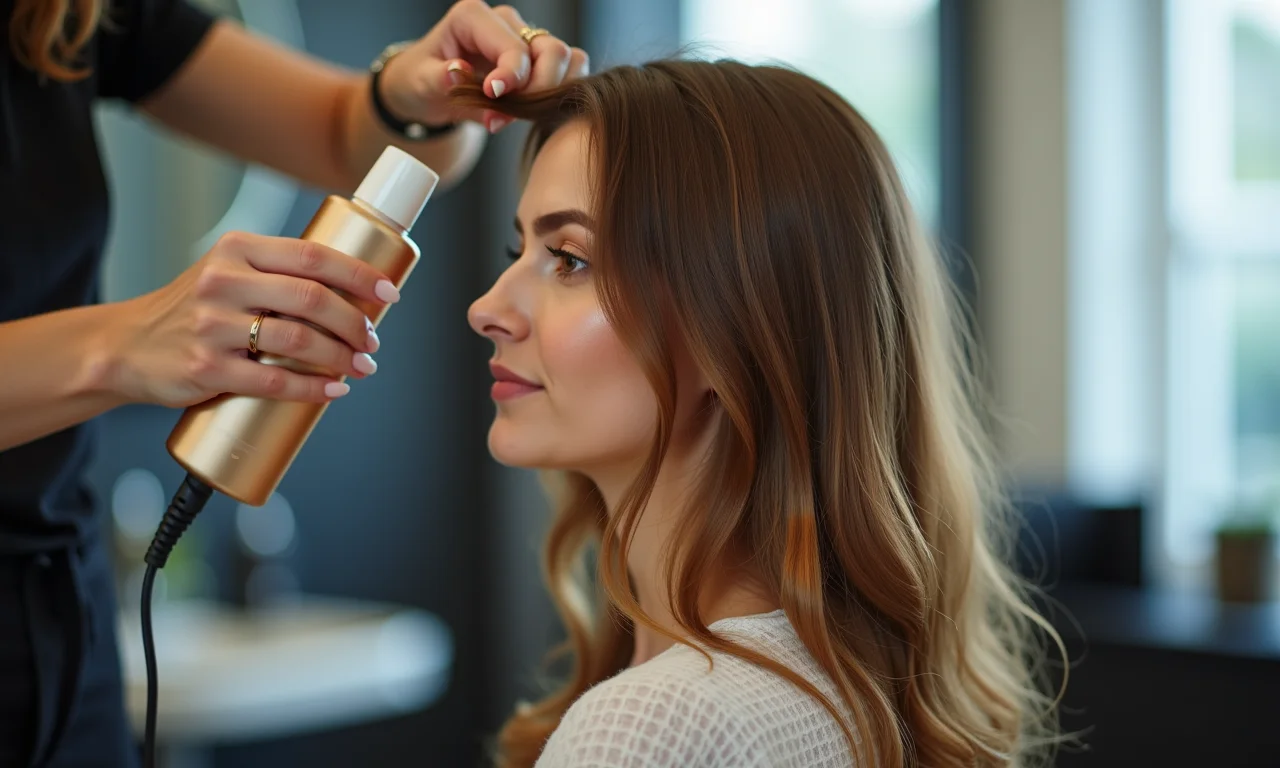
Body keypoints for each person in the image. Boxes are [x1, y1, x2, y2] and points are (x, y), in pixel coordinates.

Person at [0, 1, 585, 765]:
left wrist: (406, 93)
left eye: (571, 258)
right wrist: (116, 343)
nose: (487, 311)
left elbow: (344, 132)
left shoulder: (64, 13)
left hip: (62, 619)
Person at [460, 60, 1069, 767]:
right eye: (520, 248)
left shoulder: (649, 728)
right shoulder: (853, 694)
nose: (488, 310)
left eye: (568, 259)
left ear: (736, 333)